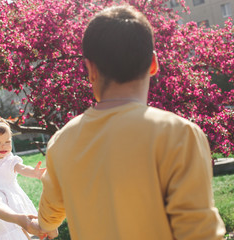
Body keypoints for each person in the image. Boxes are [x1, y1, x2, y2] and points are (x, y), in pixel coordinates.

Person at [36, 4, 226, 240]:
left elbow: (48, 216)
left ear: (90, 69)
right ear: (154, 64)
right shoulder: (178, 134)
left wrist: (42, 225)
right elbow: (200, 232)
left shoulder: (61, 141)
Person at [0, 118, 46, 218]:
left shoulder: (10, 161)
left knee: (18, 222)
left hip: (9, 198)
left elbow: (22, 168)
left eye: (7, 142)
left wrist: (34, 172)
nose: (4, 146)